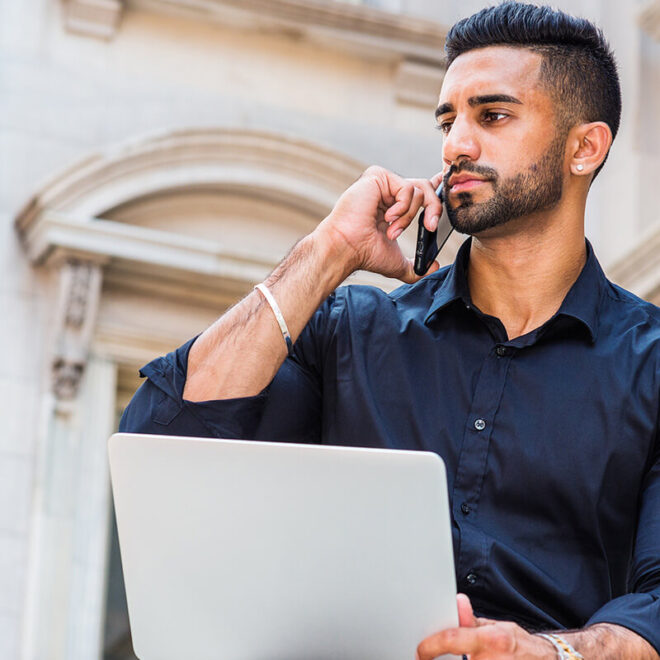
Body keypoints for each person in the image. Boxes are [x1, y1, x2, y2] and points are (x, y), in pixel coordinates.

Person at [120, 2, 660, 658]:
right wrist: (326, 253)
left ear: (585, 147)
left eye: (492, 116)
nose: (456, 144)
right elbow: (166, 438)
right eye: (448, 119)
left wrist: (552, 653)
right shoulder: (352, 332)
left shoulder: (651, 364)